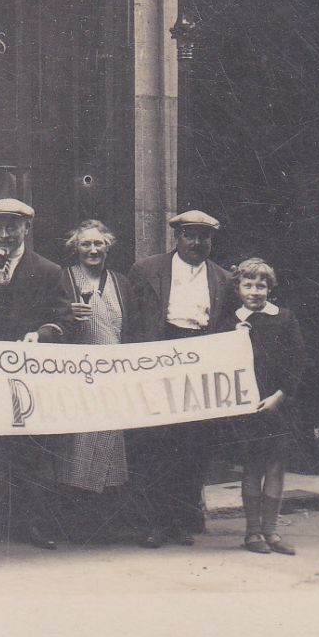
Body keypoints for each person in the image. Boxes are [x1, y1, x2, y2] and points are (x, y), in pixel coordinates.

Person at [0, 198, 73, 552]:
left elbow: (62, 318)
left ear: (26, 229)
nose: (5, 235)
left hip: (25, 377)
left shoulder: (48, 270)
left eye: (12, 227)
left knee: (28, 452)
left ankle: (30, 525)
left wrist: (42, 333)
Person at [124, 209, 234, 549]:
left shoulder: (223, 280)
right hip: (158, 356)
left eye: (205, 237)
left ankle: (180, 520)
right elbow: (131, 321)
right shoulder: (147, 270)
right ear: (178, 237)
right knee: (153, 445)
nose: (197, 243)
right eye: (191, 235)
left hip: (198, 361)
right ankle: (151, 524)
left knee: (191, 447)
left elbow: (227, 328)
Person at [51, 219, 133, 542]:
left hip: (113, 378)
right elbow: (52, 318)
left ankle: (106, 524)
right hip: (78, 378)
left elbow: (133, 328)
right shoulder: (65, 279)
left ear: (108, 247)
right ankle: (77, 524)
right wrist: (67, 316)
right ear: (76, 248)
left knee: (111, 445)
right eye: (86, 244)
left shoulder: (121, 282)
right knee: (79, 448)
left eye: (99, 244)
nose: (93, 249)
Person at [222, 258, 307, 556]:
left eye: (261, 286)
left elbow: (297, 362)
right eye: (248, 285)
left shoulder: (284, 318)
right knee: (252, 467)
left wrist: (280, 396)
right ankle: (252, 532)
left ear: (270, 288)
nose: (255, 292)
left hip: (277, 405)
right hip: (247, 409)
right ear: (238, 288)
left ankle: (271, 531)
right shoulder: (230, 320)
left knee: (276, 467)